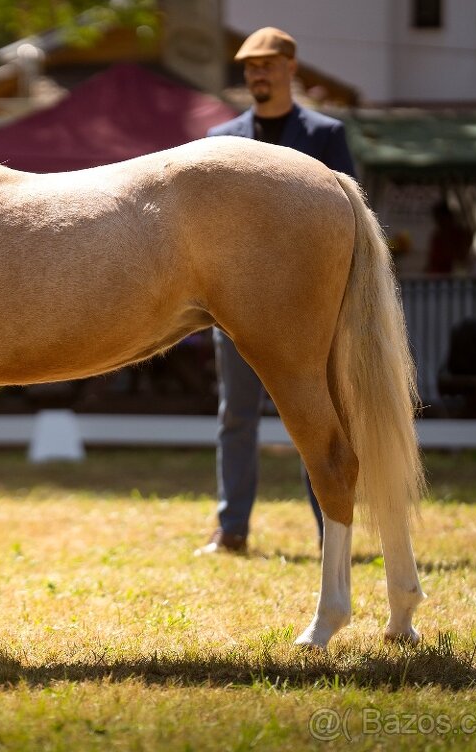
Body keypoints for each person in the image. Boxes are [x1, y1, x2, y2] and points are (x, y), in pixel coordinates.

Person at [197, 27, 357, 556]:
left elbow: (348, 225)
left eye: (266, 64)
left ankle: (331, 530)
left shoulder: (326, 135)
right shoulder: (222, 140)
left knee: (318, 413)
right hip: (233, 307)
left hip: (305, 307)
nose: (257, 73)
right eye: (250, 67)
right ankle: (231, 530)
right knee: (235, 416)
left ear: (291, 68)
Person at [424, 201, 473, 275]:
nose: (439, 223)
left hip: (452, 276)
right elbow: (431, 262)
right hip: (436, 277)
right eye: (438, 220)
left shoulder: (460, 235)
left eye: (441, 219)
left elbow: (461, 259)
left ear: (449, 217)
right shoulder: (437, 237)